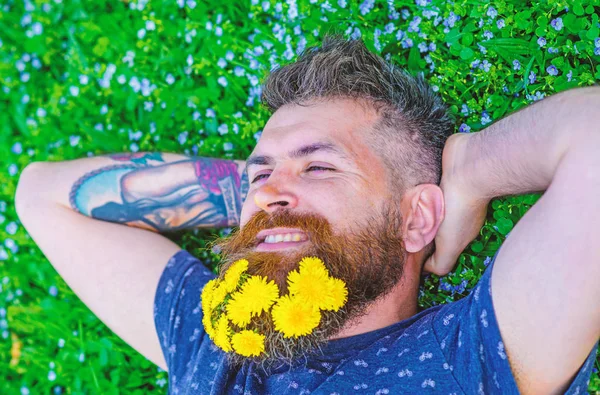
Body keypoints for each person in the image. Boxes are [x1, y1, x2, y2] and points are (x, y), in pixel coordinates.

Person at [14, 35, 599, 394]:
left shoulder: (467, 356)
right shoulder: (219, 343)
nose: (270, 191)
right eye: (259, 173)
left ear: (417, 219)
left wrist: (471, 169)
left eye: (319, 168)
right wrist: (265, 206)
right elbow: (41, 195)